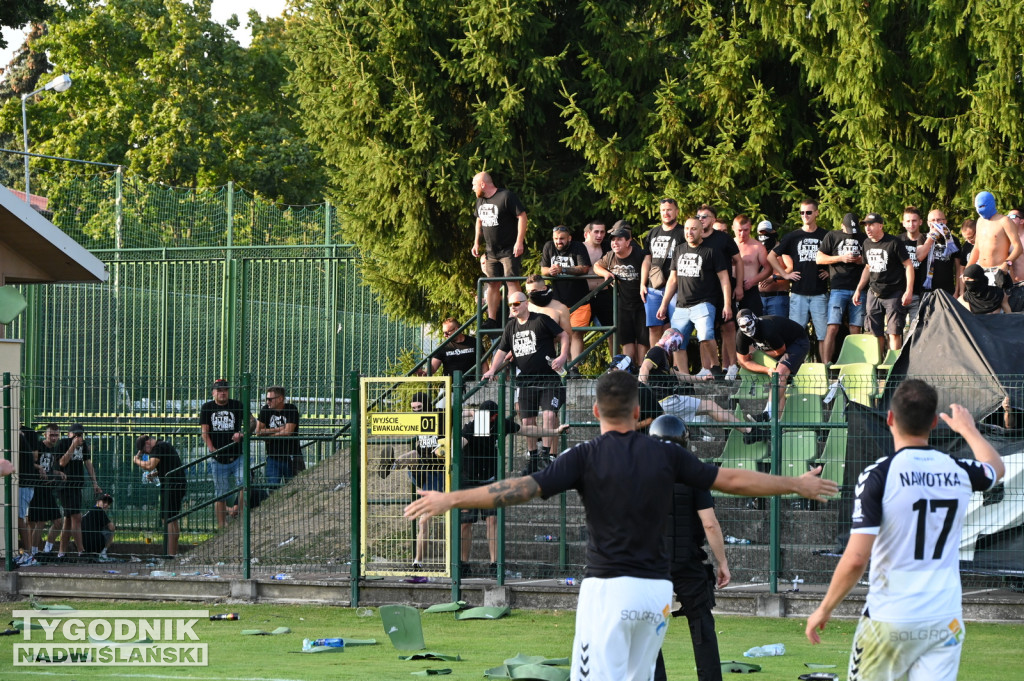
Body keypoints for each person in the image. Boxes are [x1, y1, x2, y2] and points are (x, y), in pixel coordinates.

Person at [404, 371, 837, 681]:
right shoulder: (668, 455)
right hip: (655, 594)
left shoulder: (584, 456)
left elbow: (518, 488)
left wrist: (451, 498)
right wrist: (795, 483)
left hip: (609, 590)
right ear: (636, 410)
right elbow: (733, 480)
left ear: (595, 409)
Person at [806, 379, 1004, 681]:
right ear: (935, 422)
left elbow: (857, 558)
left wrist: (824, 608)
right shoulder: (959, 471)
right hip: (944, 619)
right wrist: (968, 429)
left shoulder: (879, 475)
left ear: (889, 419)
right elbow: (995, 469)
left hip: (891, 618)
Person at [649, 416, 729, 681]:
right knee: (702, 627)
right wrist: (723, 563)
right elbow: (710, 525)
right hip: (687, 561)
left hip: (650, 563)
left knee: (649, 632)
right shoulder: (695, 473)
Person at [459, 400, 569, 575]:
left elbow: (527, 430)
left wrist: (554, 431)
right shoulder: (472, 427)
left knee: (492, 520)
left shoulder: (501, 423)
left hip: (490, 479)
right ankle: (463, 565)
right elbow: (461, 441)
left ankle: (495, 565)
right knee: (465, 523)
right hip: (468, 480)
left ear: (495, 417)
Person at [483, 290, 570, 474]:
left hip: (548, 380)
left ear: (525, 304)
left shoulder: (541, 320)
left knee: (548, 416)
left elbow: (564, 335)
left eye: (516, 304)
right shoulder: (510, 327)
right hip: (525, 382)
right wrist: (492, 369)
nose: (513, 307)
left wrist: (562, 356)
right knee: (527, 421)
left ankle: (546, 456)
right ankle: (533, 457)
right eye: (510, 305)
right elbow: (501, 350)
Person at [378, 391, 446, 569]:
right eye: (413, 409)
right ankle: (392, 465)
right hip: (423, 468)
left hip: (437, 472)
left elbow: (460, 412)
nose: (416, 412)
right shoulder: (417, 422)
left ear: (427, 406)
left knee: (424, 520)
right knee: (415, 454)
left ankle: (418, 561)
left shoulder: (440, 417)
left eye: (419, 408)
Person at [658, 218, 731, 379]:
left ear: (701, 232)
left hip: (704, 303)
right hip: (681, 305)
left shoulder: (711, 251)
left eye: (693, 229)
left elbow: (724, 279)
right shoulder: (678, 250)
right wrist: (664, 304)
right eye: (687, 229)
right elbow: (672, 280)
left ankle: (715, 367)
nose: (689, 232)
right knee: (676, 344)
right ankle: (685, 379)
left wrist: (727, 304)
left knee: (705, 336)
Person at [735, 309, 810, 441]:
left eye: (748, 324)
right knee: (777, 382)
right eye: (742, 326)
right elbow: (743, 361)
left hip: (796, 342)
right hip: (776, 347)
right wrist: (766, 369)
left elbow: (780, 351)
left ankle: (766, 414)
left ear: (754, 319)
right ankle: (775, 428)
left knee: (779, 374)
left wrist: (759, 355)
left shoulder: (767, 329)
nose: (746, 329)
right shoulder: (741, 336)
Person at [768, 199, 829, 359]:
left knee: (823, 334)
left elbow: (836, 258)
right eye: (802, 212)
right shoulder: (793, 236)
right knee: (795, 334)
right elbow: (771, 256)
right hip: (798, 293)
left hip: (819, 292)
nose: (805, 215)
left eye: (808, 212)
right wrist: (785, 274)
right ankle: (795, 369)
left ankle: (824, 370)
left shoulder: (826, 235)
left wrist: (830, 272)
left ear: (816, 213)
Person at [472, 171, 528, 328]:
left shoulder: (506, 196)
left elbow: (522, 217)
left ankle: (513, 315)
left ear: (483, 184)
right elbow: (479, 221)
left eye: (474, 185)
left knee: (511, 281)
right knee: (492, 284)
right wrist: (476, 242)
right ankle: (491, 319)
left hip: (509, 249)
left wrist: (519, 242)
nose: (473, 188)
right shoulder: (480, 200)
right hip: (491, 251)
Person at [854, 213, 914, 356]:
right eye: (866, 225)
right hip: (873, 292)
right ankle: (879, 368)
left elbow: (909, 265)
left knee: (894, 332)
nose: (867, 228)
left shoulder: (893, 242)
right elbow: (868, 267)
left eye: (871, 225)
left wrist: (908, 290)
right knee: (875, 332)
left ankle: (893, 369)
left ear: (880, 226)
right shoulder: (866, 243)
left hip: (893, 293)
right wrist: (858, 289)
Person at [199, 378, 253, 528]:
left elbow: (252, 422)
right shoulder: (207, 407)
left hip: (237, 455)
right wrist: (212, 450)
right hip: (219, 458)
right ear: (213, 393)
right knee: (221, 494)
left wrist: (242, 433)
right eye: (219, 390)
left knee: (244, 484)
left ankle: (242, 520)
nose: (223, 393)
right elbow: (205, 432)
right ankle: (222, 526)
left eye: (225, 390)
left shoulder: (237, 405)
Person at [594, 222, 649, 365]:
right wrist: (605, 273)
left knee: (643, 340)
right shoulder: (610, 256)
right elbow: (596, 266)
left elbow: (648, 261)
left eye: (619, 239)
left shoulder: (639, 254)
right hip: (622, 304)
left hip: (642, 303)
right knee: (627, 340)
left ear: (628, 241)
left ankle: (642, 372)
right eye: (612, 239)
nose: (615, 242)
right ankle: (629, 369)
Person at [698, 206, 743, 378]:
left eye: (705, 216)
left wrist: (738, 285)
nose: (701, 219)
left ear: (713, 219)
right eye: (699, 216)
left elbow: (738, 261)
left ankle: (732, 365)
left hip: (723, 289)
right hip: (701, 291)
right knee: (703, 329)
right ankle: (706, 367)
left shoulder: (723, 238)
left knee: (728, 325)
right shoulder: (694, 237)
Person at [816, 212, 866, 363]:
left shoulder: (863, 237)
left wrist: (859, 260)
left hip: (859, 288)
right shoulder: (832, 236)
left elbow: (871, 260)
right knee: (832, 326)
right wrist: (841, 258)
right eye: (849, 230)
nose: (852, 234)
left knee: (855, 328)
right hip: (838, 288)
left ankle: (854, 364)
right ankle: (826, 364)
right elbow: (819, 258)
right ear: (842, 226)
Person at [541, 225, 593, 360]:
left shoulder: (578, 247)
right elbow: (543, 270)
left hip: (579, 300)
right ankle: (555, 367)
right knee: (553, 334)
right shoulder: (549, 246)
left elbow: (584, 268)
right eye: (556, 239)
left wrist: (563, 270)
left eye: (562, 238)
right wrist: (550, 271)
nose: (559, 241)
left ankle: (573, 368)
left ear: (569, 238)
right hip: (556, 302)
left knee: (576, 334)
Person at [134, 435, 188, 557]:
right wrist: (155, 474)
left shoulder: (158, 447)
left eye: (145, 451)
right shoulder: (165, 445)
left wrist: (137, 460)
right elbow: (169, 466)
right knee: (172, 518)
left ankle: (170, 555)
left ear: (148, 443)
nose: (147, 453)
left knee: (167, 519)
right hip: (177, 484)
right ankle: (173, 553)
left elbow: (149, 465)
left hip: (171, 486)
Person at [641, 198, 684, 348]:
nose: (666, 213)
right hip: (653, 287)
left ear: (676, 211)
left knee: (673, 329)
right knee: (654, 327)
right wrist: (642, 284)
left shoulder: (683, 232)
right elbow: (647, 260)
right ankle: (656, 365)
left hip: (675, 288)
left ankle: (672, 367)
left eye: (669, 209)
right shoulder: (652, 233)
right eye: (663, 210)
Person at [57, 423, 102, 558]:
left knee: (68, 520)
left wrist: (95, 483)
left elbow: (88, 463)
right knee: (76, 517)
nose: (78, 437)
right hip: (65, 486)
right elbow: (62, 463)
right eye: (75, 434)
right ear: (69, 434)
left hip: (77, 485)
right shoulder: (63, 443)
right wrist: (73, 445)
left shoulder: (83, 446)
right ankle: (81, 551)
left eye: (80, 435)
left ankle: (61, 552)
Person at [966, 190, 1022, 287]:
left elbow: (1018, 247)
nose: (979, 210)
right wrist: (968, 269)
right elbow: (977, 248)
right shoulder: (980, 221)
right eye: (977, 207)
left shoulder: (1004, 221)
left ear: (990, 204)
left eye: (982, 206)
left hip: (999, 271)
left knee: (1002, 301)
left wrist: (1007, 263)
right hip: (981, 271)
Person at [898, 206, 939, 331]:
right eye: (908, 221)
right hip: (900, 293)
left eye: (914, 220)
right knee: (895, 329)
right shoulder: (897, 241)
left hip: (921, 293)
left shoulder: (928, 239)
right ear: (903, 223)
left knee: (917, 331)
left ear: (921, 222)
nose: (911, 224)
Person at [256, 386, 303, 487]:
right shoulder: (265, 410)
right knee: (272, 488)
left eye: (270, 399)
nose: (267, 401)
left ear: (280, 399)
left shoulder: (291, 409)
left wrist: (269, 436)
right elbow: (258, 431)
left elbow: (288, 432)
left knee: (295, 488)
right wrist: (278, 429)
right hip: (273, 456)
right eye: (266, 399)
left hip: (291, 456)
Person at [30, 424, 65, 554]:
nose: (54, 438)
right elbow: (31, 462)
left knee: (58, 522)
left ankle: (47, 550)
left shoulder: (55, 450)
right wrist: (39, 468)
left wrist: (58, 473)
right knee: (40, 522)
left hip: (49, 489)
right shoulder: (38, 446)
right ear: (45, 434)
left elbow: (49, 468)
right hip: (38, 488)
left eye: (56, 435)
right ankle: (33, 552)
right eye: (51, 435)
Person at [582, 221, 615, 344]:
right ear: (587, 234)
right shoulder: (578, 249)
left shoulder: (608, 247)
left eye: (602, 232)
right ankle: (572, 363)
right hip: (583, 295)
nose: (599, 235)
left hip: (604, 293)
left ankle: (615, 363)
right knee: (575, 332)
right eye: (596, 232)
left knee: (611, 330)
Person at [733, 214, 771, 318]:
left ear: (750, 228)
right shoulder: (728, 244)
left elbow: (768, 269)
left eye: (746, 230)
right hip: (731, 288)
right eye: (739, 230)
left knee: (754, 323)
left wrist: (753, 281)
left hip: (750, 289)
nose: (742, 234)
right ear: (733, 228)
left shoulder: (757, 247)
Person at [756, 220, 791, 317]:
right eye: (761, 233)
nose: (763, 236)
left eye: (766, 233)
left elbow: (790, 269)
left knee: (777, 329)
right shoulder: (758, 250)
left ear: (773, 232)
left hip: (777, 298)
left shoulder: (782, 249)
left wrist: (775, 277)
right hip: (759, 298)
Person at [15, 427, 39, 565]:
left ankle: (29, 554)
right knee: (20, 518)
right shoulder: (19, 436)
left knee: (19, 519)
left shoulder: (18, 436)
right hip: (25, 483)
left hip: (24, 484)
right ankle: (26, 553)